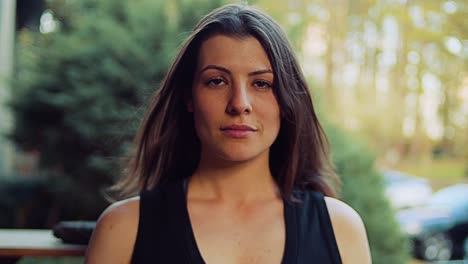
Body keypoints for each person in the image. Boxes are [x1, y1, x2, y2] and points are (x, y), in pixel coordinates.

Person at [85, 3, 371, 264]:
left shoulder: (341, 229)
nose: (239, 104)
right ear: (189, 98)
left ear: (287, 101)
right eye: (217, 81)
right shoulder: (123, 228)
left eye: (261, 83)